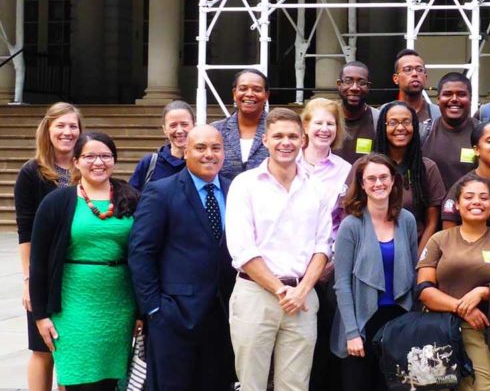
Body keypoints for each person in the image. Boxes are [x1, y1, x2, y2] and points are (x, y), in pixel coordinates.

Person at [225, 108, 335, 391]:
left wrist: (301, 290)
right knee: (252, 384)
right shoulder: (245, 185)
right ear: (265, 140)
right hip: (255, 296)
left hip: (302, 297)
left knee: (296, 385)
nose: (285, 142)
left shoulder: (317, 188)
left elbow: (323, 246)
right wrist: (280, 289)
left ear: (303, 140)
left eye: (292, 136)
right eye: (278, 136)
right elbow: (242, 248)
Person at [127, 125, 236, 391]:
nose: (209, 154)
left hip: (226, 316)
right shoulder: (161, 192)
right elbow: (141, 252)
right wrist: (153, 308)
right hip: (174, 316)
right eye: (200, 148)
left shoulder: (236, 190)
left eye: (216, 148)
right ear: (186, 152)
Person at [29, 132, 140, 390]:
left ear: (114, 160)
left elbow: (144, 254)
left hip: (119, 306)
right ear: (76, 161)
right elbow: (39, 262)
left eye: (105, 156)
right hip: (72, 306)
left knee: (115, 381)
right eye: (89, 156)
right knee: (80, 379)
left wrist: (141, 311)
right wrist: (40, 316)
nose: (98, 162)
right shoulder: (57, 202)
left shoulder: (131, 198)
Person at [417, 177, 490, 391]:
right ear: (457, 205)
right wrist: (462, 308)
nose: (477, 202)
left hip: (484, 331)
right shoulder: (440, 239)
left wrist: (483, 292)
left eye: (484, 198)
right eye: (468, 197)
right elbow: (424, 290)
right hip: (441, 331)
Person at [332, 154, 421, 391]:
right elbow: (342, 283)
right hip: (361, 321)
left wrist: (414, 324)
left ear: (393, 181)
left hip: (398, 322)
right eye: (371, 179)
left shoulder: (407, 220)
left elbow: (413, 272)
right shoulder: (351, 225)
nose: (378, 183)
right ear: (362, 184)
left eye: (384, 177)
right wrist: (352, 333)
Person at [14, 102, 81, 391]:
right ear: (48, 129)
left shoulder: (87, 166)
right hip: (43, 271)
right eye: (61, 126)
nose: (67, 132)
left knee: (68, 348)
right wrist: (28, 280)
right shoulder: (32, 173)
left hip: (77, 273)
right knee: (42, 349)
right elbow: (24, 231)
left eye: (73, 126)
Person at [298, 98, 353, 391]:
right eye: (318, 122)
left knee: (325, 343)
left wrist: (329, 263)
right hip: (291, 270)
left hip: (330, 271)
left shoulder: (346, 170)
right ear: (305, 126)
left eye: (330, 123)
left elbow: (346, 220)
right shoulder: (287, 162)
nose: (324, 129)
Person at [373, 101, 447, 251]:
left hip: (413, 251)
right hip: (372, 253)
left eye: (406, 122)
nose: (400, 128)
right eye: (393, 122)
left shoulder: (427, 168)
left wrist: (419, 260)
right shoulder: (367, 167)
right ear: (383, 126)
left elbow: (432, 222)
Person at [423, 72, 480, 190]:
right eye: (447, 94)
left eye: (461, 94)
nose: (454, 99)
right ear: (438, 99)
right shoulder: (423, 133)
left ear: (470, 99)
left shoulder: (483, 133)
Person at [213, 69, 271, 180]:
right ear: (234, 94)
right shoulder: (216, 131)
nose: (249, 94)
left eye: (257, 90)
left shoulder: (277, 130)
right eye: (243, 89)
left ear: (266, 95)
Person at [130, 101, 194, 190]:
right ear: (164, 129)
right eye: (173, 125)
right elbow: (132, 198)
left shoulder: (201, 162)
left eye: (184, 124)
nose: (179, 131)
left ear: (194, 125)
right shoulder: (150, 163)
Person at [333, 61, 381, 162]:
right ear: (339, 84)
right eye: (348, 81)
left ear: (368, 87)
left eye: (362, 83)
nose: (354, 88)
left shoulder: (378, 119)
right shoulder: (327, 116)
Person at [393, 49, 438, 124]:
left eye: (420, 70)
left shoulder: (439, 114)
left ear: (426, 77)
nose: (415, 74)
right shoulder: (383, 113)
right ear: (395, 78)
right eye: (408, 69)